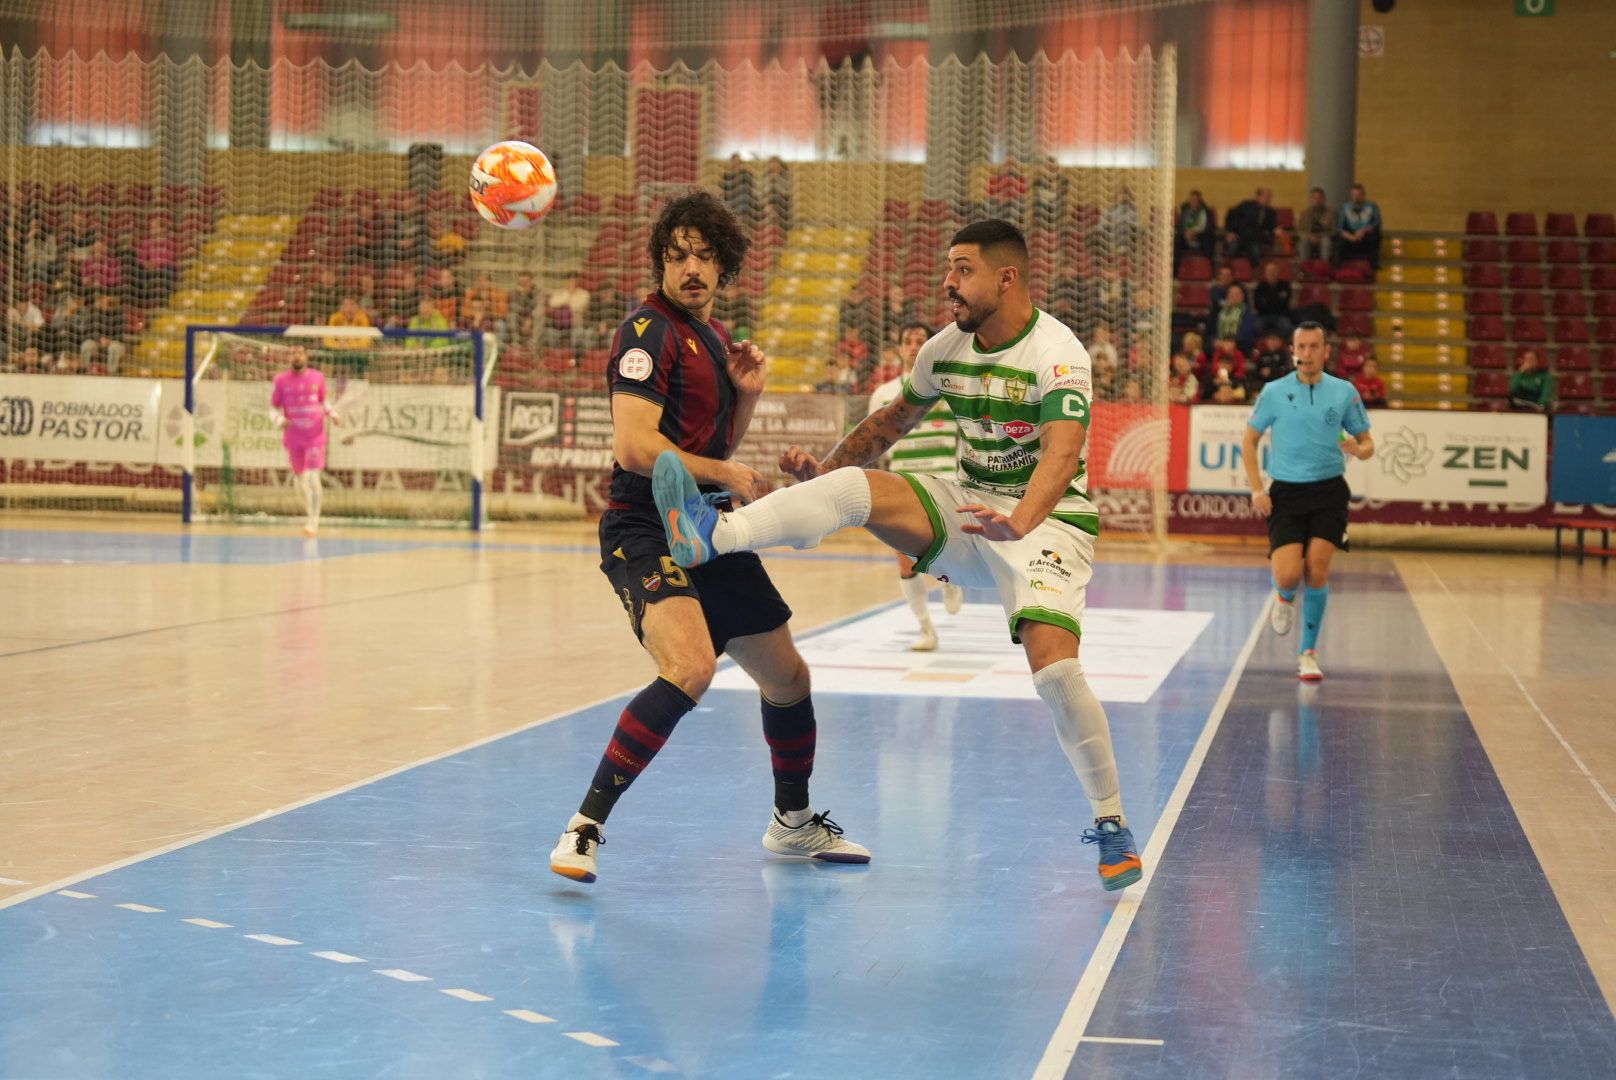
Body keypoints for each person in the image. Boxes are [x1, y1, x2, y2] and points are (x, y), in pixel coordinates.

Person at [650, 219, 1144, 892]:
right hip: (969, 509)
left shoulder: (1057, 353)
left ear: (1008, 278)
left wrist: (1021, 519)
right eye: (948, 268)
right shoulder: (945, 348)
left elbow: (1061, 451)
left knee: (1055, 670)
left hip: (1045, 525)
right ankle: (714, 535)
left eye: (963, 270)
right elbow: (889, 424)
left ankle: (1111, 822)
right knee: (859, 489)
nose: (948, 283)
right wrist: (821, 471)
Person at [548, 190, 870, 885]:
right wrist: (724, 468)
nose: (690, 267)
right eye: (677, 254)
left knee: (788, 677)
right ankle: (584, 827)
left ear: (724, 266)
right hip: (646, 526)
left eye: (704, 255)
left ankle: (792, 825)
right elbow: (637, 448)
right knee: (690, 667)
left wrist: (745, 395)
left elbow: (708, 445)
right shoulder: (646, 331)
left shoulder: (715, 339)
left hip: (710, 528)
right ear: (661, 262)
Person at [1242, 323, 1375, 682]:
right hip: (1286, 492)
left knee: (1316, 570)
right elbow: (1249, 442)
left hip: (1329, 492)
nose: (1308, 352)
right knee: (1287, 574)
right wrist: (1258, 489)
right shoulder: (1274, 392)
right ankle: (1284, 597)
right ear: (1293, 350)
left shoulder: (1344, 392)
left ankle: (1308, 653)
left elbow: (1368, 444)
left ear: (1325, 351)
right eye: (1302, 346)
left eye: (1315, 346)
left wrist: (1356, 450)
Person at [865, 321, 964, 650]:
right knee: (905, 559)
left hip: (943, 480)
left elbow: (965, 437)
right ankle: (926, 630)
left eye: (920, 340)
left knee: (942, 548)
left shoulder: (950, 390)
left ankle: (951, 579)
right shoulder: (883, 394)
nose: (913, 345)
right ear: (899, 348)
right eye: (908, 340)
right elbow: (873, 441)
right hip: (902, 482)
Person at [270, 346, 340, 537]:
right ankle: (309, 515)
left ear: (306, 356)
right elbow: (273, 409)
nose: (297, 356)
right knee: (299, 480)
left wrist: (332, 413)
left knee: (312, 476)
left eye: (300, 352)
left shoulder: (317, 377)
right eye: (293, 353)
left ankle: (314, 521)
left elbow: (324, 401)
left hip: (315, 436)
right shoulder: (281, 380)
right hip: (293, 437)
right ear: (289, 357)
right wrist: (278, 420)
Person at [1223, 187, 1276, 267]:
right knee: (1232, 249)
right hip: (1239, 237)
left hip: (1255, 239)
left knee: (1256, 253)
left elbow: (1271, 228)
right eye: (1266, 196)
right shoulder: (1246, 206)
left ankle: (1254, 275)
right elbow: (1231, 216)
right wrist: (1229, 232)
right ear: (1258, 197)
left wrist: (1274, 231)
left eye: (1270, 197)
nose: (1268, 199)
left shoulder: (1270, 212)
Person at [1337, 183, 1383, 270]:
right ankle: (1340, 267)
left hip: (1366, 234)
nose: (1356, 197)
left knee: (1375, 236)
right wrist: (1350, 236)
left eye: (1359, 195)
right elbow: (1340, 226)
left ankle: (1373, 265)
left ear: (1363, 195)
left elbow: (1377, 222)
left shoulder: (1372, 206)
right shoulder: (1345, 207)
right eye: (1354, 195)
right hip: (1351, 234)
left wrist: (1364, 230)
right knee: (1340, 242)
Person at [1173, 189, 1216, 271]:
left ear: (1200, 202)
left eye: (1196, 200)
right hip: (1186, 237)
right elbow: (1180, 227)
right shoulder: (1185, 211)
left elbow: (1209, 229)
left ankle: (1208, 269)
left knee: (1209, 239)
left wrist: (1196, 234)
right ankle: (1175, 271)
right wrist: (1185, 234)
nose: (1194, 203)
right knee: (1177, 240)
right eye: (1192, 200)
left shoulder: (1207, 212)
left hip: (1201, 237)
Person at [1507, 348, 1554, 413]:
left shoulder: (1545, 375)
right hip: (1521, 404)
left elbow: (1546, 393)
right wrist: (1521, 371)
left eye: (1532, 359)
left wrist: (1541, 405)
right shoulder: (1519, 374)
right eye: (1527, 359)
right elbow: (1512, 389)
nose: (1530, 362)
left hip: (1537, 404)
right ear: (1522, 361)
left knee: (1551, 404)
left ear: (1537, 361)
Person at [1297, 186, 1334, 264]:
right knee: (1303, 242)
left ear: (1324, 199)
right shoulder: (1305, 213)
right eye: (1314, 198)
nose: (1317, 200)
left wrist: (1320, 236)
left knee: (1326, 242)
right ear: (1310, 199)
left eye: (1319, 198)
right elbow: (1300, 230)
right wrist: (1309, 236)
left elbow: (1334, 230)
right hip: (1309, 237)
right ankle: (1304, 266)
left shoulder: (1330, 212)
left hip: (1324, 237)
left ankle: (1325, 265)